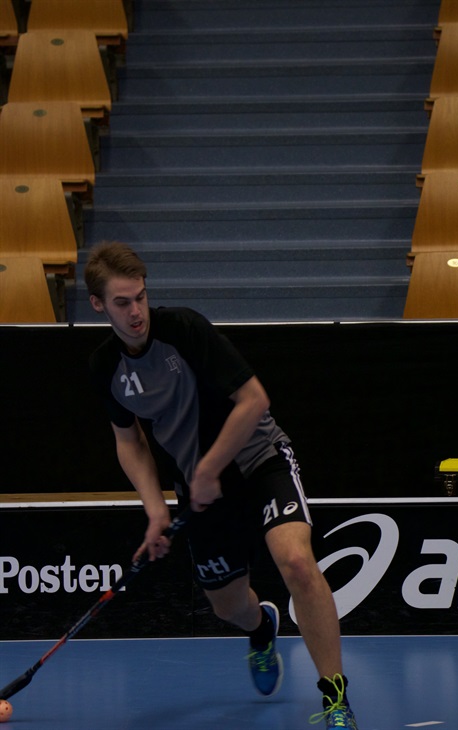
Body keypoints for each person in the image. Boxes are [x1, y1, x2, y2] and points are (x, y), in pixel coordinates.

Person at [84, 240, 359, 729]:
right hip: (201, 494)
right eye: (122, 303)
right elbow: (129, 441)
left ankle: (335, 698)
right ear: (98, 305)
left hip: (258, 460)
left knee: (297, 562)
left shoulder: (185, 329)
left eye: (141, 297)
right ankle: (261, 629)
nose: (136, 312)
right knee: (229, 607)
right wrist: (156, 510)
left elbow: (254, 399)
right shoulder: (106, 367)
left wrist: (210, 468)